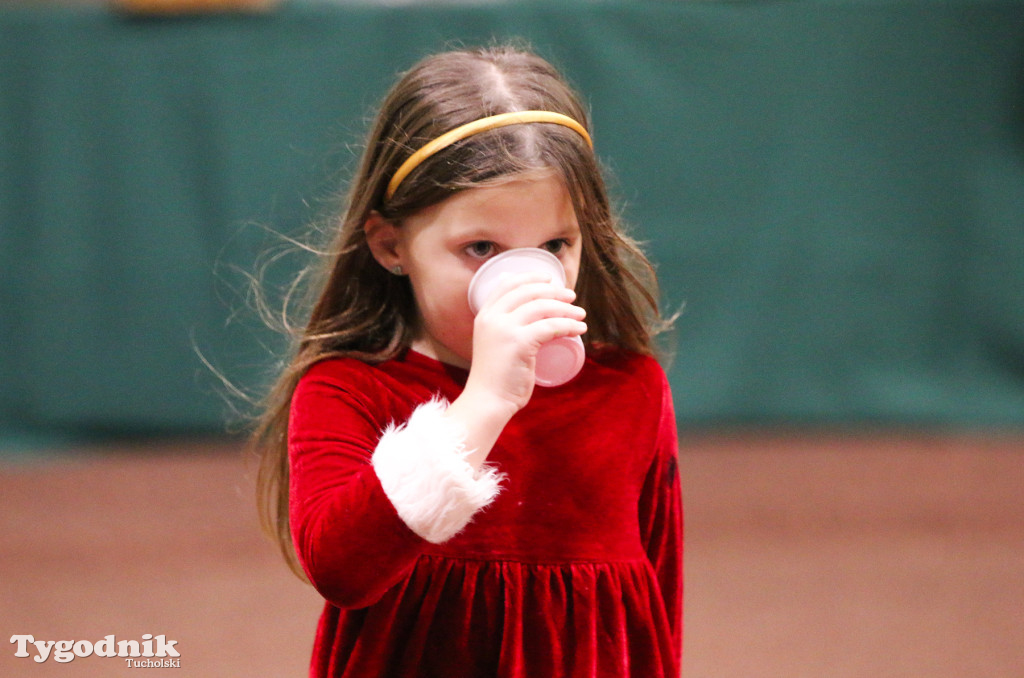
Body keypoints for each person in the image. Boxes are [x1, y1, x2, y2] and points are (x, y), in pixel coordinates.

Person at [252, 43, 682, 678]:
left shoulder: (629, 388)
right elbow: (341, 569)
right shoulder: (348, 389)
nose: (524, 277)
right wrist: (479, 408)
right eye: (481, 247)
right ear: (390, 244)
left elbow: (659, 600)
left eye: (555, 244)